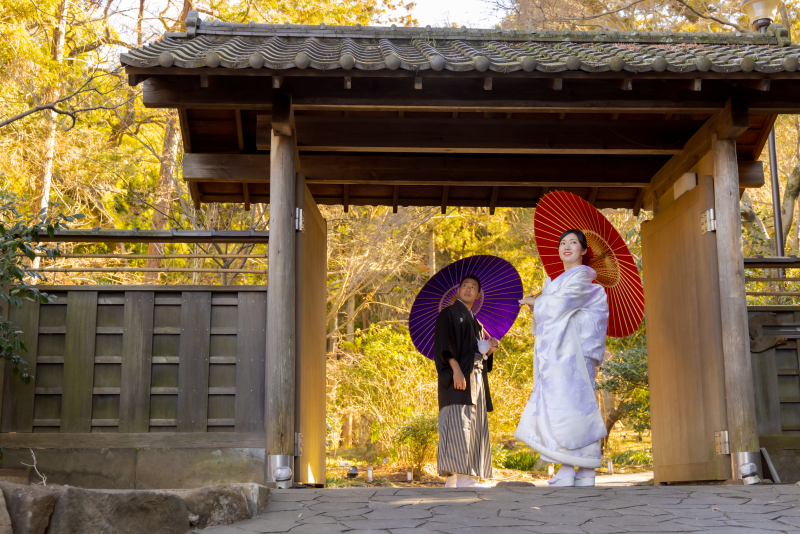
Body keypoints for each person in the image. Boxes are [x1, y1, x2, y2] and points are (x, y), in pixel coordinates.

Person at [515, 229, 609, 487]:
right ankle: (576, 468)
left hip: (573, 354)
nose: (567, 247)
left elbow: (560, 305)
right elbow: (555, 309)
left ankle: (578, 468)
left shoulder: (580, 278)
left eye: (573, 243)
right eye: (563, 243)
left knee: (575, 406)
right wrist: (541, 303)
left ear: (584, 250)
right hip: (561, 353)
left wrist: (540, 301)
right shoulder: (561, 280)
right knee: (567, 407)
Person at [433, 274, 499, 488]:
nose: (469, 289)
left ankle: (455, 478)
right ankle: (463, 477)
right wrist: (456, 371)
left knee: (473, 425)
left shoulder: (477, 323)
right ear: (458, 290)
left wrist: (489, 351)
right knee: (458, 424)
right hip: (458, 379)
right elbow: (444, 346)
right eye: (465, 286)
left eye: (473, 287)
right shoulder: (449, 313)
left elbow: (479, 356)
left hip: (476, 381)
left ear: (478, 295)